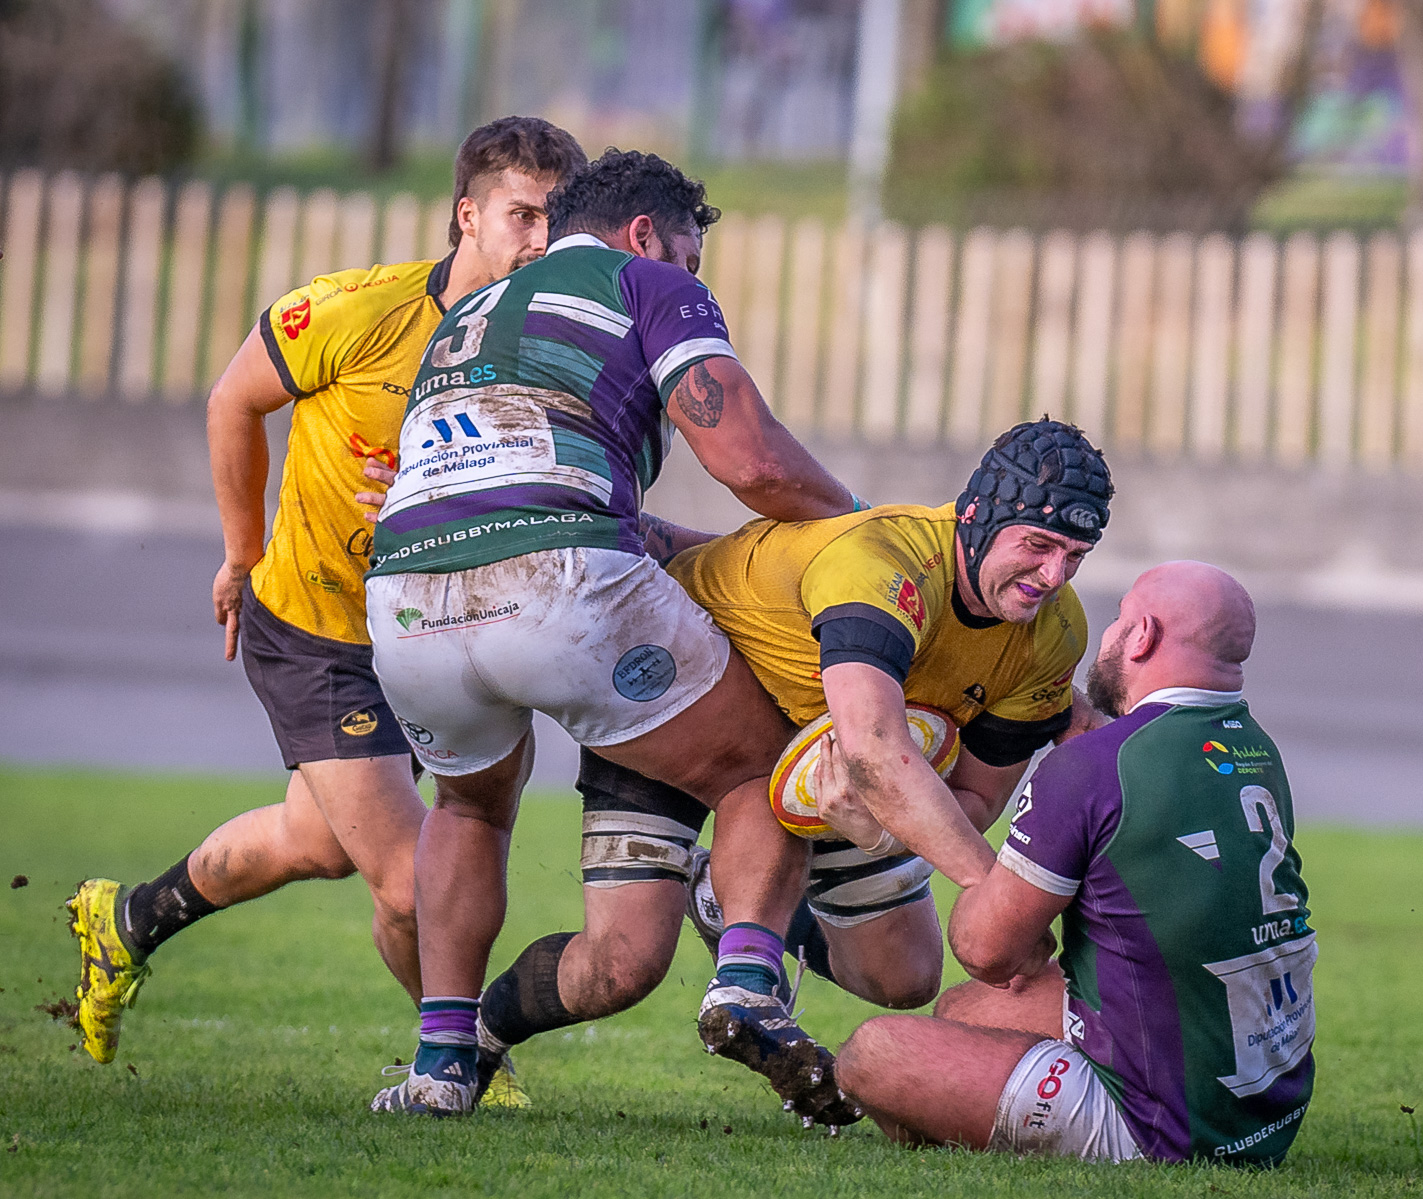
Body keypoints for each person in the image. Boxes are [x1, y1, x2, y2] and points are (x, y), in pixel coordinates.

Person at [65, 118, 587, 1078]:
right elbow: (234, 399)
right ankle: (461, 1061)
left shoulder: (550, 345)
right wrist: (240, 552)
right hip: (320, 629)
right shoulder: (360, 311)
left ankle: (126, 919)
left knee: (316, 839)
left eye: (559, 221)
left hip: (433, 637)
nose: (542, 241)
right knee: (403, 879)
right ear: (466, 214)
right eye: (523, 216)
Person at [359, 149, 862, 1119]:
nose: (693, 274)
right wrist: (859, 526)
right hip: (554, 580)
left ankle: (440, 1065)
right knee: (765, 766)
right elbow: (751, 460)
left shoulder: (470, 310)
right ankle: (750, 981)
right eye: (691, 254)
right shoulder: (647, 281)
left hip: (406, 595)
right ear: (646, 234)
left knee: (468, 808)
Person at [466, 418, 1113, 1116]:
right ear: (976, 516)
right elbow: (872, 748)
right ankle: (477, 1035)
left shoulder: (1055, 634)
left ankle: (726, 903)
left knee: (906, 974)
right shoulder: (883, 561)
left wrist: (883, 831)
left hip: (809, 746)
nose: (1053, 574)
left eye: (1075, 555)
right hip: (678, 692)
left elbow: (972, 797)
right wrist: (1000, 899)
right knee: (619, 967)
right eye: (1038, 545)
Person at [832, 561, 1317, 1168]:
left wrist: (888, 838)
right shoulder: (1253, 748)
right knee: (968, 1012)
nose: (1110, 634)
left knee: (873, 1055)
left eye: (1118, 619)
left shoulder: (1092, 767)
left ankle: (997, 1134)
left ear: (1141, 636)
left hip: (1158, 1128)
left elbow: (984, 950)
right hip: (1265, 1105)